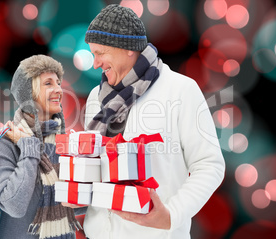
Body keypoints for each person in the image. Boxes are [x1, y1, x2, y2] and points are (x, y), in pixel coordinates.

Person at [82, 4, 225, 239]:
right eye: (92, 54)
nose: (95, 63)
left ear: (127, 48)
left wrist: (171, 215)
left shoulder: (180, 90)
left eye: (101, 53)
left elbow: (209, 165)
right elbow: (95, 171)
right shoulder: (96, 98)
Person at [0, 55, 81, 239]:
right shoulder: (5, 141)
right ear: (28, 93)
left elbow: (77, 203)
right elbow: (14, 206)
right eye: (48, 83)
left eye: (58, 82)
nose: (58, 90)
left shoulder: (65, 141)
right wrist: (29, 147)